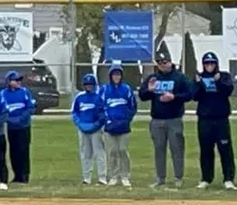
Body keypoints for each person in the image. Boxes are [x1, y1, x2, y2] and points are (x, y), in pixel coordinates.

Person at [138, 52, 195, 188]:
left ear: (170, 62)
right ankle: (160, 178)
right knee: (159, 150)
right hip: (157, 120)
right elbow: (142, 95)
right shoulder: (153, 77)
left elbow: (189, 94)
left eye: (165, 62)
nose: (162, 65)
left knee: (177, 149)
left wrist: (174, 97)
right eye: (159, 62)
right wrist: (150, 90)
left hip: (174, 119)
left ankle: (178, 177)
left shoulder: (179, 78)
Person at [192, 52, 235, 190]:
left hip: (221, 119)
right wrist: (198, 84)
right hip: (205, 119)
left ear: (216, 64)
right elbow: (194, 96)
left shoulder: (224, 76)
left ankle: (228, 179)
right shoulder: (199, 77)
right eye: (207, 63)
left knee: (225, 150)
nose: (209, 66)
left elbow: (228, 91)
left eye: (212, 63)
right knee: (206, 150)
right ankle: (206, 178)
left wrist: (218, 81)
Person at [99, 62, 136, 187]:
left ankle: (125, 176)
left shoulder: (126, 89)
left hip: (123, 126)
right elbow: (100, 107)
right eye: (114, 75)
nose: (116, 77)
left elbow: (132, 107)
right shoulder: (105, 90)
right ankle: (114, 176)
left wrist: (126, 119)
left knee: (123, 150)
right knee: (112, 151)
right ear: (110, 76)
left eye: (118, 75)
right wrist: (106, 120)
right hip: (109, 126)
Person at [70, 74, 107, 185]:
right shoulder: (79, 97)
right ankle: (86, 178)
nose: (88, 87)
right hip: (83, 129)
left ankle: (102, 178)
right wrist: (80, 124)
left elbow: (103, 114)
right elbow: (74, 112)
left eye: (90, 85)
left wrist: (96, 125)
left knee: (99, 153)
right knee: (85, 154)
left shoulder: (99, 97)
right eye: (87, 85)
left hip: (96, 129)